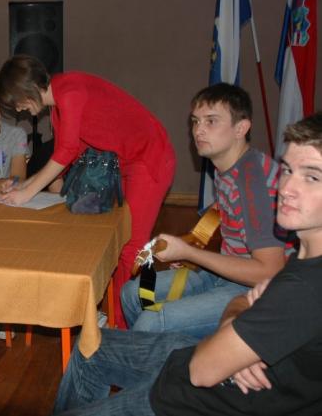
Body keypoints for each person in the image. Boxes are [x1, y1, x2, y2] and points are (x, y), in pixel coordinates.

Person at [53, 112, 322, 416]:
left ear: (241, 128)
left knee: (150, 320)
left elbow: (203, 370)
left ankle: (137, 384)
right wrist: (238, 318)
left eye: (312, 177)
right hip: (200, 362)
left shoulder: (305, 288)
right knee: (93, 342)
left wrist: (235, 323)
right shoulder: (303, 259)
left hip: (192, 397)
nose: (286, 188)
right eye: (287, 170)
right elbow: (247, 288)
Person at [0, 55, 176, 327]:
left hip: (150, 157)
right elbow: (68, 151)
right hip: (126, 163)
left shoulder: (70, 92)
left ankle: (122, 324)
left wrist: (28, 192)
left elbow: (67, 150)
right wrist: (26, 185)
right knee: (114, 238)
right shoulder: (58, 106)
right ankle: (115, 310)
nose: (19, 109)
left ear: (26, 90)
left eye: (17, 102)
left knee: (132, 246)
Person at [120, 83, 289, 338]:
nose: (198, 130)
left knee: (152, 321)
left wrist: (190, 253)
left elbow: (270, 271)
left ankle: (163, 354)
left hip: (256, 290)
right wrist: (192, 242)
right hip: (224, 272)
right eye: (196, 121)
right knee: (132, 294)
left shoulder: (252, 183)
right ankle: (163, 353)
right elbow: (225, 208)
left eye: (211, 121)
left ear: (241, 128)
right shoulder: (229, 165)